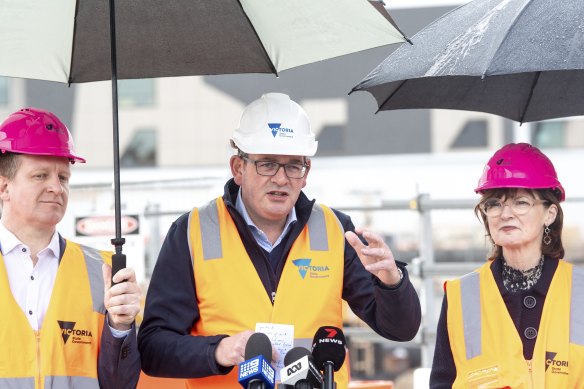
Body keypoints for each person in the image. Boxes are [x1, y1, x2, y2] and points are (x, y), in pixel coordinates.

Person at [138, 92, 421, 388]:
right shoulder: (192, 232)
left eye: (293, 165)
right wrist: (220, 350)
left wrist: (392, 282)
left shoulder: (336, 230)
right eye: (267, 164)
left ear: (306, 172)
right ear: (238, 168)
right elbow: (153, 348)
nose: (281, 178)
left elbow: (401, 329)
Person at [0, 108, 141, 388]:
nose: (56, 187)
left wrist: (121, 327)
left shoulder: (102, 272)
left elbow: (120, 384)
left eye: (63, 178)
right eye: (40, 176)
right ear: (4, 188)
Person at [430, 143, 584, 387]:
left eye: (521, 202)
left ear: (549, 214)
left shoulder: (581, 291)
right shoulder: (463, 296)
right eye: (494, 204)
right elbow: (442, 383)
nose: (505, 213)